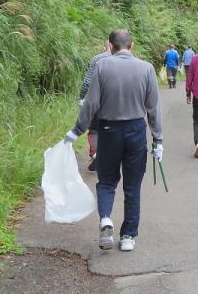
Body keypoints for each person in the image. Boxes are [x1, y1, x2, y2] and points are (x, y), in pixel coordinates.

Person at [65, 29, 163, 252]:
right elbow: (153, 109)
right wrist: (158, 140)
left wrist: (77, 130)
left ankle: (106, 219)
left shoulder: (102, 66)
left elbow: (90, 104)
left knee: (107, 181)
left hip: (108, 131)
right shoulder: (147, 68)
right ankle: (128, 235)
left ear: (110, 45)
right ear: (132, 45)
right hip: (136, 131)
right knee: (132, 186)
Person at [79, 39, 112, 172]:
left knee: (94, 129)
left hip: (96, 100)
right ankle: (110, 156)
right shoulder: (125, 60)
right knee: (112, 128)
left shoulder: (97, 59)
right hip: (115, 102)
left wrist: (82, 97)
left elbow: (88, 80)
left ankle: (95, 152)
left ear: (105, 47)